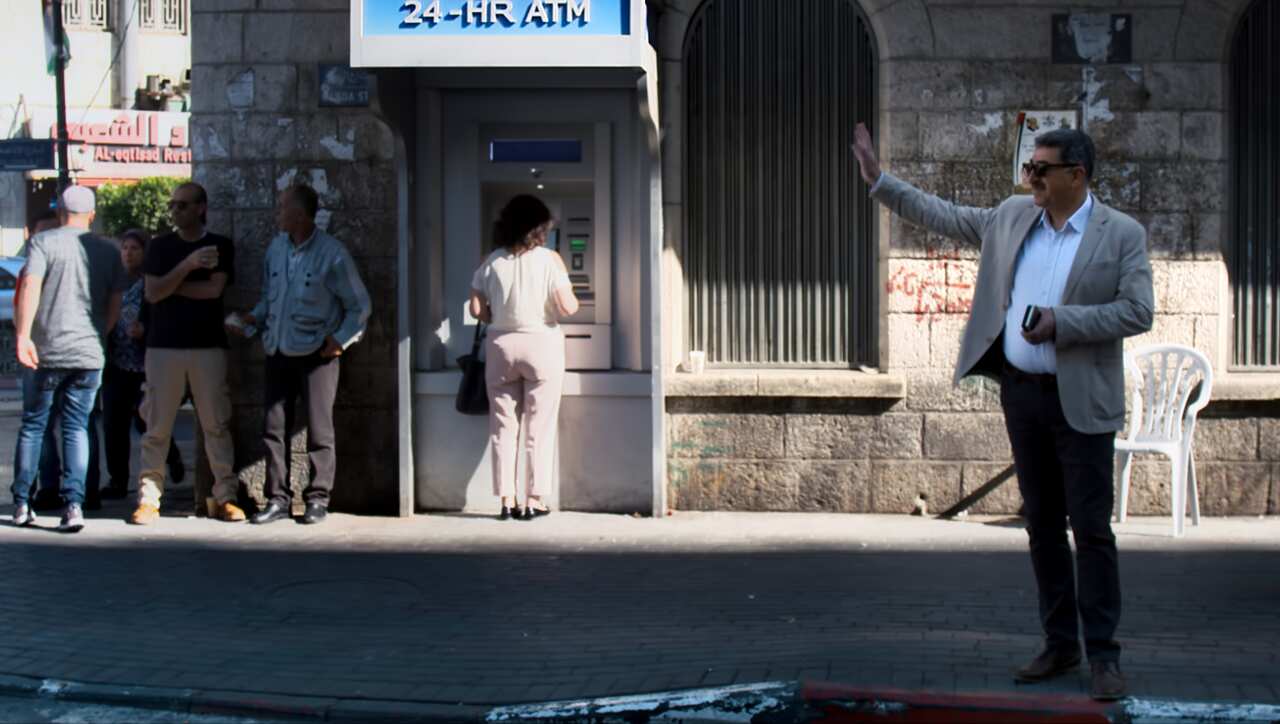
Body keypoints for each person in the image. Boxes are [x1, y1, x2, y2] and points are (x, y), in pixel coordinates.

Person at [850, 124, 1153, 701]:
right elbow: (941, 214)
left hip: (1082, 401)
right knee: (1041, 526)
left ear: (1077, 175)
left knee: (1090, 531)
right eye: (1029, 167)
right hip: (1024, 395)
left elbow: (1138, 311)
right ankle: (1060, 643)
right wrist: (878, 181)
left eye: (1042, 168)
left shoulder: (1121, 235)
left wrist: (1065, 322)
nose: (1030, 177)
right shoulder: (1013, 217)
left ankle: (1105, 656)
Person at [233, 184, 371, 526]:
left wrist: (340, 340)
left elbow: (360, 306)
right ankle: (277, 498)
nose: (277, 213)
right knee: (273, 428)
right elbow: (269, 297)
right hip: (278, 349)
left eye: (281, 208)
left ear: (298, 213)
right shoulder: (276, 249)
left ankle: (318, 498)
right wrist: (253, 317)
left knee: (319, 430)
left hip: (317, 354)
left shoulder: (333, 254)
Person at [9, 186, 126, 533]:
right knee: (78, 426)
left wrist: (23, 336)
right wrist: (99, 334)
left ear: (60, 211)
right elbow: (116, 302)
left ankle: (22, 503)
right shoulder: (110, 250)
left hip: (46, 352)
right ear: (91, 214)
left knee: (34, 425)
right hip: (88, 353)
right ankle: (74, 505)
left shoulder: (44, 243)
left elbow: (30, 285)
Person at [128, 182, 244, 525]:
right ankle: (149, 499)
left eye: (183, 205)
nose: (175, 211)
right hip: (163, 347)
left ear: (201, 208)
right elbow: (152, 292)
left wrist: (171, 285)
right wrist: (189, 265)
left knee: (216, 425)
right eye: (173, 205)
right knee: (156, 427)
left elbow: (213, 291)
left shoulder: (220, 244)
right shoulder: (161, 246)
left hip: (207, 346)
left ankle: (226, 496)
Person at [468, 195, 579, 521]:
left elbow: (478, 310)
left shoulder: (491, 261)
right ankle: (533, 500)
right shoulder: (550, 260)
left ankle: (506, 499)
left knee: (503, 427)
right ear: (540, 228)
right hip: (541, 346)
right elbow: (568, 307)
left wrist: (500, 312)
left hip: (501, 347)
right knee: (538, 429)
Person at [100, 229, 184, 500]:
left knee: (146, 419)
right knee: (114, 423)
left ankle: (170, 455)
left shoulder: (151, 282)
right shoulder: (113, 281)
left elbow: (165, 318)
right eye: (124, 248)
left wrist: (145, 331)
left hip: (146, 364)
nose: (128, 253)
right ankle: (117, 480)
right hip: (117, 364)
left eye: (134, 248)